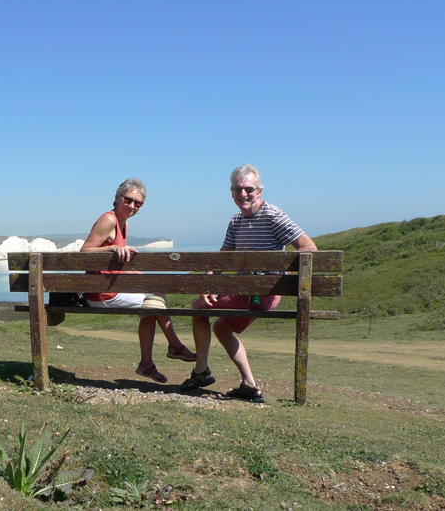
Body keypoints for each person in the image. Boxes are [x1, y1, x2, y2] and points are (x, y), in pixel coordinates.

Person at [179, 164, 317, 403]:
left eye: (248, 189)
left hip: (263, 292)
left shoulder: (273, 215)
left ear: (259, 191)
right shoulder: (236, 221)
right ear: (231, 192)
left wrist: (277, 278)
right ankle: (249, 384)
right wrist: (208, 283)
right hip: (248, 291)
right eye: (237, 189)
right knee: (221, 327)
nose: (243, 194)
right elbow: (222, 258)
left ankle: (201, 372)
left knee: (198, 307)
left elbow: (308, 247)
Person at [81, 178, 197, 383]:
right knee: (155, 300)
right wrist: (110, 248)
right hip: (101, 294)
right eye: (128, 200)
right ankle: (173, 347)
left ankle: (148, 364)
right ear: (117, 198)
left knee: (153, 302)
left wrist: (130, 273)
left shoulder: (123, 224)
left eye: (138, 203)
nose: (132, 205)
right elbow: (84, 253)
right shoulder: (109, 220)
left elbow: (109, 266)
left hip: (108, 289)